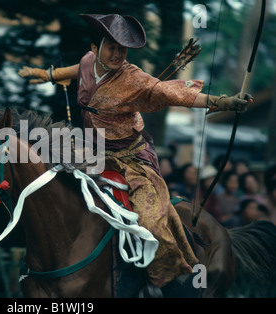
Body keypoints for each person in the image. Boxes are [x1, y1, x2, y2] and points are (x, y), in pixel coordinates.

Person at [18, 13, 253, 288]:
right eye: (111, 47)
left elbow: (174, 93)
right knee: (43, 173)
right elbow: (77, 70)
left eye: (122, 49)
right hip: (89, 149)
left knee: (152, 222)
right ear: (95, 48)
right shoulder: (88, 61)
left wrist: (224, 102)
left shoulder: (134, 79)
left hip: (130, 158)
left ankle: (164, 281)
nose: (118, 54)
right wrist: (50, 75)